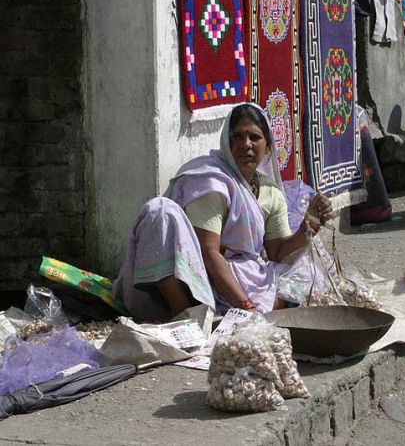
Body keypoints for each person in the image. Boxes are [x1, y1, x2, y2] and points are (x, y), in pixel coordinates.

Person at [113, 103, 333, 320]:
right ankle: (183, 314)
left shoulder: (270, 192)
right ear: (226, 143)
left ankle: (248, 313)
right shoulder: (212, 181)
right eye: (237, 137)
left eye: (254, 137)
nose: (246, 144)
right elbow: (209, 253)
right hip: (199, 275)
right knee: (159, 211)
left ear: (267, 147)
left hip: (244, 273)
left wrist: (310, 223)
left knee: (305, 268)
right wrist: (245, 306)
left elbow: (277, 252)